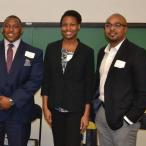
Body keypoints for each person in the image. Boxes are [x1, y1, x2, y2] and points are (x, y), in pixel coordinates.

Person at [0, 15, 43, 146]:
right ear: (2, 29)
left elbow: (35, 80)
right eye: (7, 26)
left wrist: (12, 100)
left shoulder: (35, 53)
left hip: (20, 113)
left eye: (15, 26)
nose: (10, 29)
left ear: (21, 30)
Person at [94, 13, 146, 146]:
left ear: (125, 29)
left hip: (123, 120)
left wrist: (128, 119)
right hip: (102, 113)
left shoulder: (137, 53)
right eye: (108, 25)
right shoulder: (102, 53)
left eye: (117, 25)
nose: (112, 29)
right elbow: (99, 82)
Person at [41, 10, 94, 146]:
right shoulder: (51, 48)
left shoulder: (87, 52)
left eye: (72, 25)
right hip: (55, 108)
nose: (68, 28)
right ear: (61, 27)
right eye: (64, 25)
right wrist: (45, 107)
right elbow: (46, 79)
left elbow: (89, 85)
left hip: (76, 111)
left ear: (78, 27)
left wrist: (86, 114)